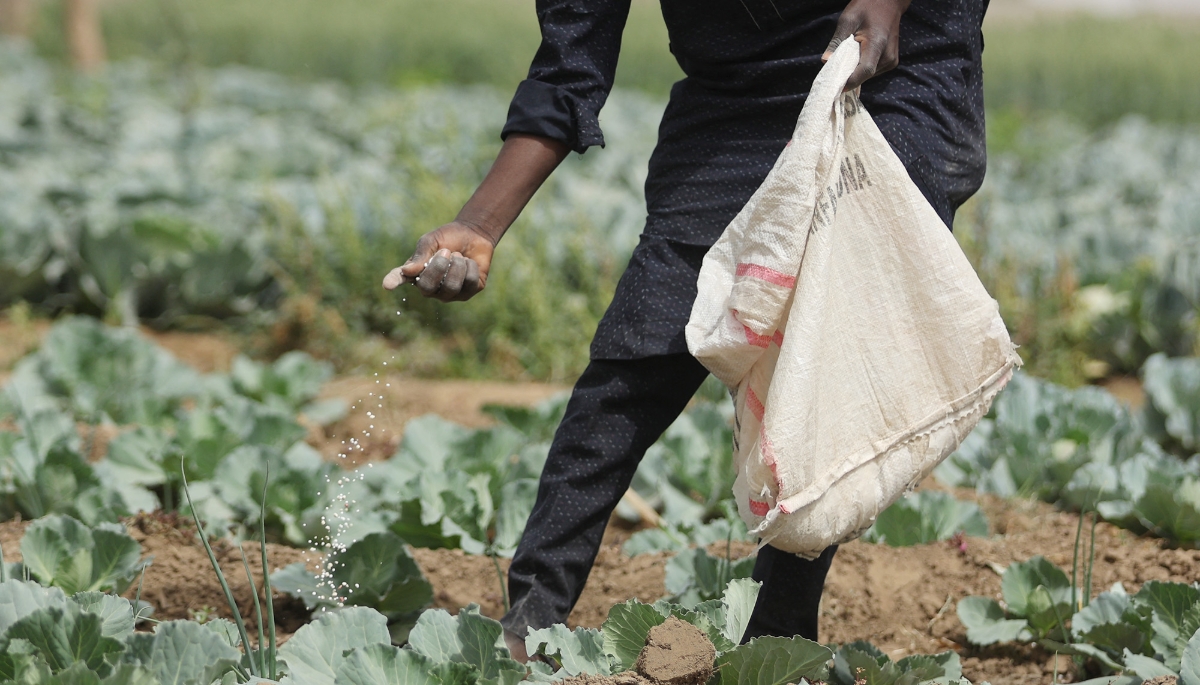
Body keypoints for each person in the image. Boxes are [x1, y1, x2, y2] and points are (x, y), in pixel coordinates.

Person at [383, 0, 989, 660]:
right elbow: (568, 69)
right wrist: (478, 225)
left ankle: (779, 636)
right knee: (637, 353)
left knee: (821, 355)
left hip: (891, 75)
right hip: (732, 98)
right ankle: (528, 623)